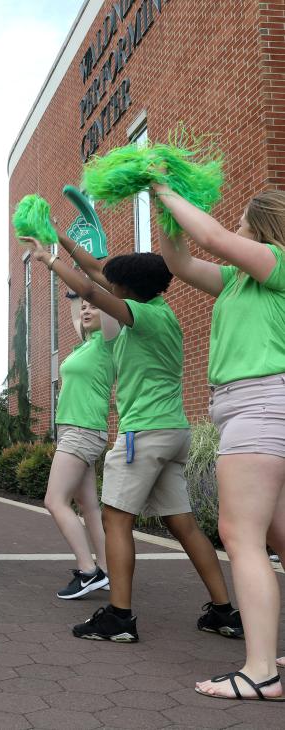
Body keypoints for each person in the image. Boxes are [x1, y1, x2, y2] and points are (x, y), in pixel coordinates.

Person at [20, 231, 241, 644]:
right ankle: (223, 612)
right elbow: (96, 272)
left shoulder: (142, 316)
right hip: (173, 433)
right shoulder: (161, 309)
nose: (106, 285)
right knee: (185, 526)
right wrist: (60, 239)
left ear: (125, 290)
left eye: (113, 284)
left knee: (115, 520)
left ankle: (119, 618)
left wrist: (47, 261)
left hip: (144, 434)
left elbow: (88, 285)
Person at [153, 185, 285, 700]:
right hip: (248, 407)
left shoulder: (276, 262)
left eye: (242, 218)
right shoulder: (236, 281)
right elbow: (181, 259)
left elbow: (208, 234)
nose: (235, 223)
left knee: (240, 534)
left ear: (261, 222)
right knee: (275, 535)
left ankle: (260, 673)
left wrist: (164, 186)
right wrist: (162, 210)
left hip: (260, 403)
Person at [45, 285, 111, 599]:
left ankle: (88, 571)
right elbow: (77, 307)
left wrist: (94, 275)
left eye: (93, 307)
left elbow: (108, 300)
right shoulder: (87, 344)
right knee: (89, 507)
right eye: (83, 306)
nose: (85, 311)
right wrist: (59, 267)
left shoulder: (110, 341)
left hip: (82, 431)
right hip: (78, 429)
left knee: (54, 501)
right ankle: (109, 572)